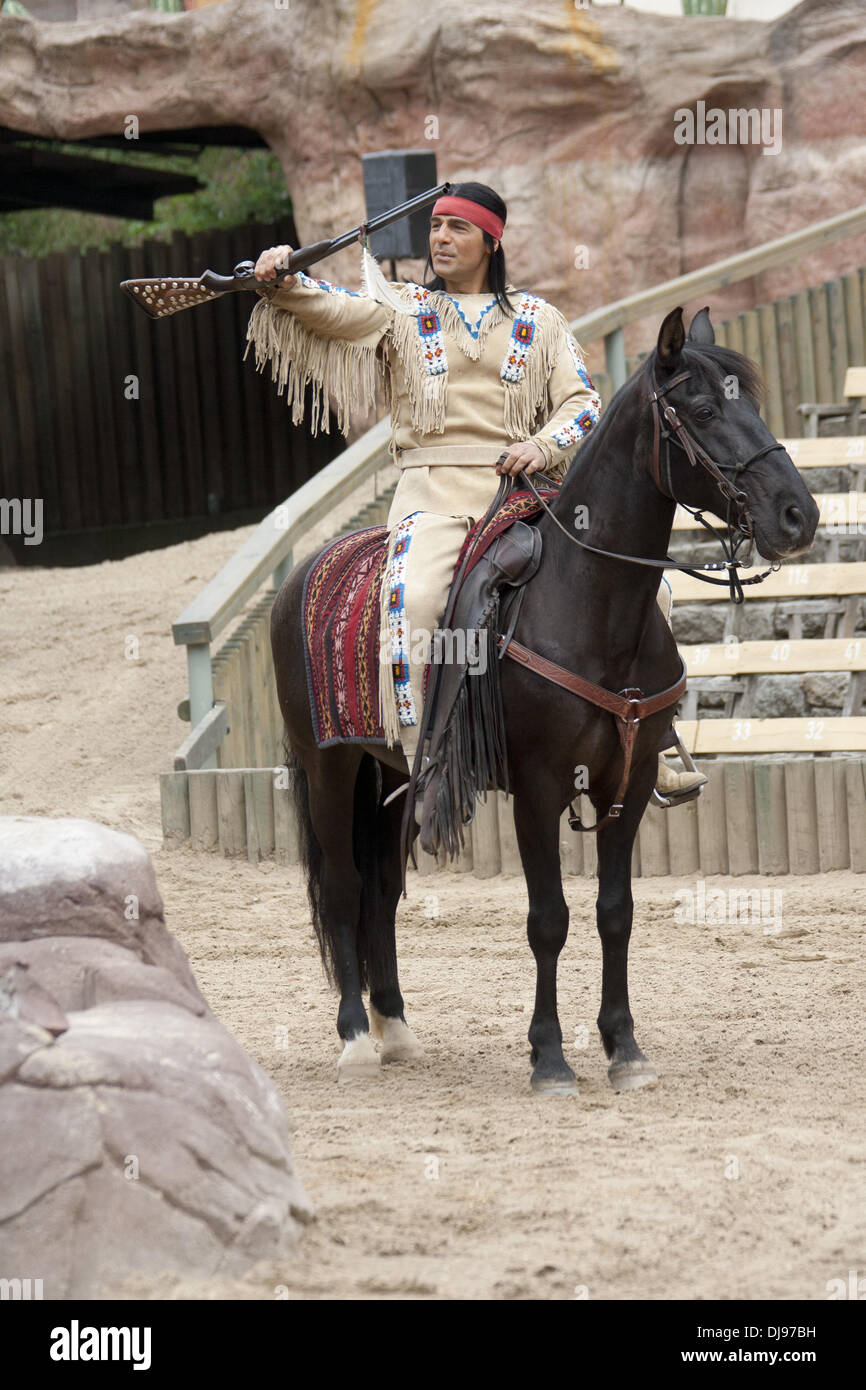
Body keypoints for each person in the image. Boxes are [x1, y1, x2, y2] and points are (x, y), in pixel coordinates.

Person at [250, 181, 705, 802]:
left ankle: (648, 745)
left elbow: (584, 402)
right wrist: (284, 280)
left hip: (524, 497)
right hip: (431, 497)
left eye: (457, 228)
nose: (440, 238)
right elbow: (334, 307)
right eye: (435, 227)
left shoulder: (540, 321)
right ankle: (424, 761)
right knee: (414, 603)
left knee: (651, 593)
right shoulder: (401, 308)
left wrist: (542, 447)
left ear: (492, 240)